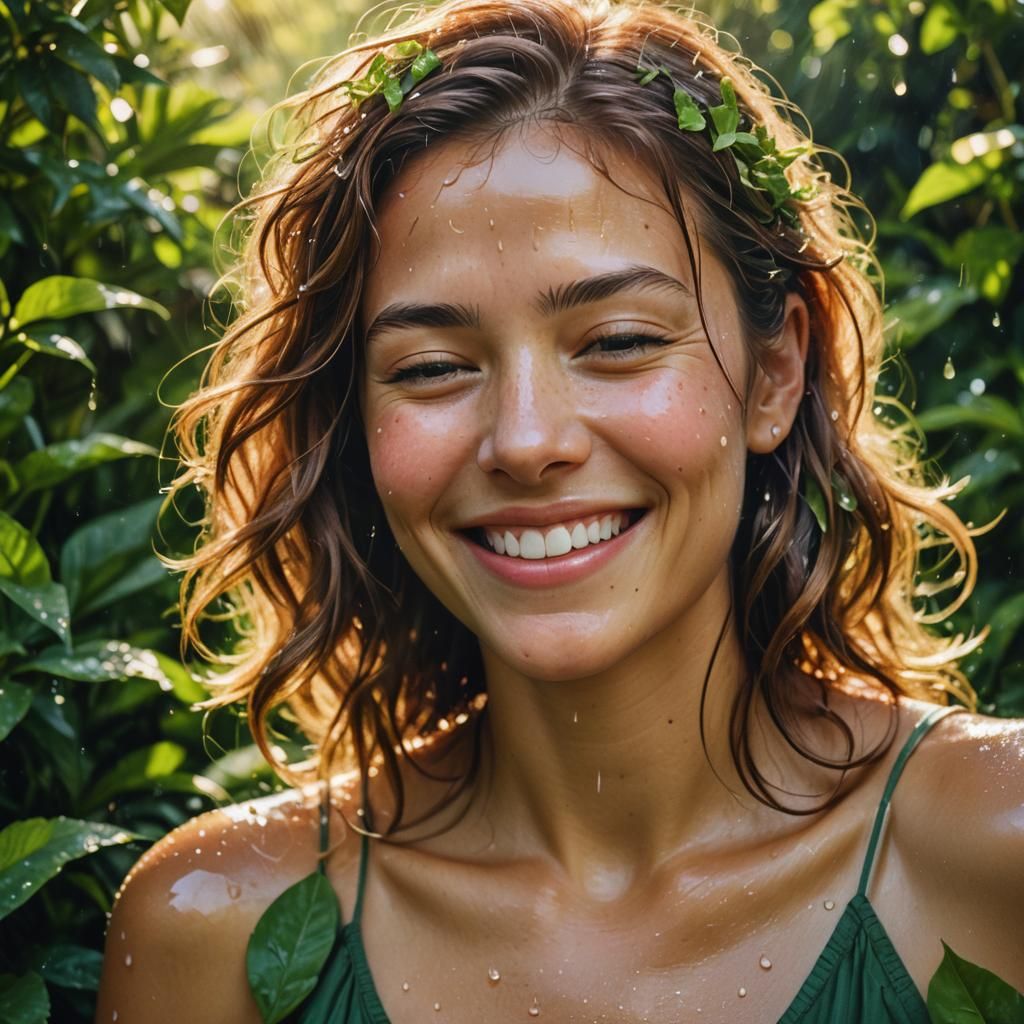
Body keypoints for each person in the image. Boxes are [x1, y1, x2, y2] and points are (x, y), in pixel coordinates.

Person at [96, 0, 1024, 1021]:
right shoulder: (211, 928)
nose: (528, 440)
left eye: (618, 340)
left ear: (775, 370)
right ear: (353, 424)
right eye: (434, 366)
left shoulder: (996, 854)